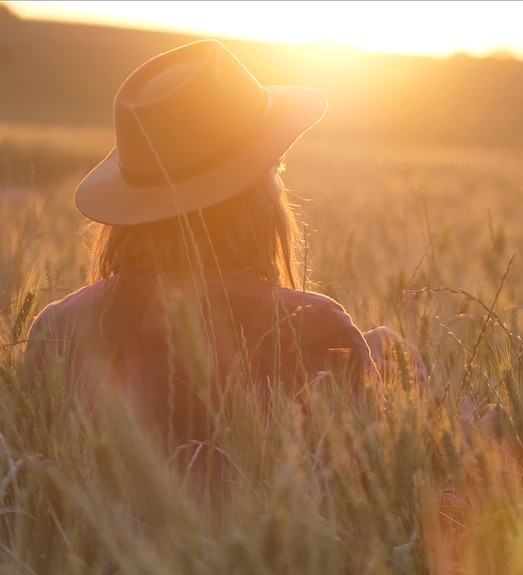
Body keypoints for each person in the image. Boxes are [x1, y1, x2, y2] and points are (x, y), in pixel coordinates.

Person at [25, 39, 423, 454]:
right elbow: (356, 491)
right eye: (274, 169)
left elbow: (35, 483)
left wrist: (361, 357)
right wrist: (397, 395)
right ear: (257, 195)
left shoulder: (59, 331)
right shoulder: (314, 329)